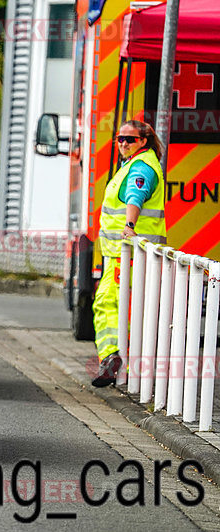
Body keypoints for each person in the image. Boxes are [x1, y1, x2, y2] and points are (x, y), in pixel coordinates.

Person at [92, 120, 167, 387]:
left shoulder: (141, 168)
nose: (123, 143)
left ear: (143, 141)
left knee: (109, 304)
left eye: (129, 139)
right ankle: (119, 361)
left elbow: (136, 196)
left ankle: (114, 359)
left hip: (128, 254)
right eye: (119, 138)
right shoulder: (133, 164)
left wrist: (129, 227)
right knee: (121, 306)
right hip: (123, 255)